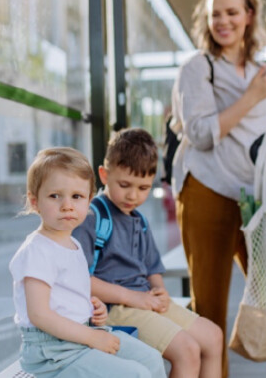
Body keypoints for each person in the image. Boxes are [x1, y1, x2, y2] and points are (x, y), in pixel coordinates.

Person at [170, 0, 266, 377]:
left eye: (232, 12)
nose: (223, 21)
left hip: (253, 196)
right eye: (215, 13)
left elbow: (263, 140)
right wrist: (253, 95)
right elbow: (201, 134)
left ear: (249, 15)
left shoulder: (260, 71)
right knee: (209, 305)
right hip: (207, 188)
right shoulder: (197, 67)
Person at [73, 128, 223, 378]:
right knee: (187, 351)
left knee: (213, 337)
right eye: (124, 185)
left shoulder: (139, 220)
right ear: (104, 174)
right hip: (112, 308)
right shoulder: (93, 216)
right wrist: (135, 298)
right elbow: (79, 280)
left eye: (143, 188)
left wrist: (160, 291)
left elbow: (152, 267)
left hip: (144, 301)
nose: (133, 195)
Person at [9, 147, 167, 378]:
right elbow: (39, 314)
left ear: (89, 201)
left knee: (151, 360)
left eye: (77, 196)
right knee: (135, 374)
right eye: (55, 196)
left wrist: (92, 307)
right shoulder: (37, 251)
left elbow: (65, 295)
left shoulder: (73, 243)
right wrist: (93, 337)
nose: (67, 205)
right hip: (52, 351)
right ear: (35, 201)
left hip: (81, 333)